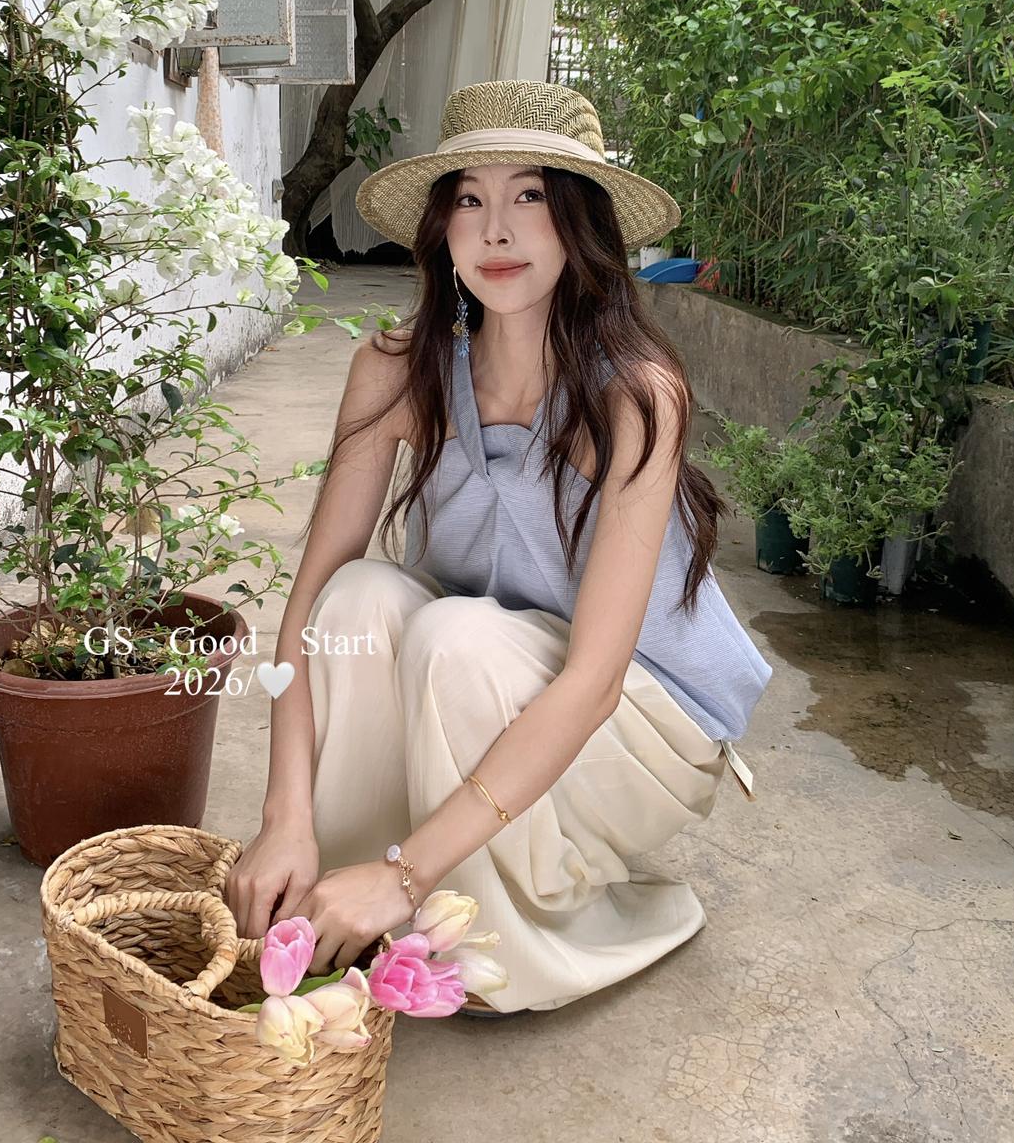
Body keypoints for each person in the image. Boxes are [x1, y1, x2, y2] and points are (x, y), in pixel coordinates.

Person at [224, 79, 773, 1016]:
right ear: (441, 227)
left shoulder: (634, 396)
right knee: (356, 599)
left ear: (579, 222)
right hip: (490, 680)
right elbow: (308, 606)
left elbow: (593, 682)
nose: (497, 231)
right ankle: (349, 900)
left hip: (640, 726)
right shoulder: (395, 371)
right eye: (470, 200)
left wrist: (406, 870)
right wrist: (285, 816)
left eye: (530, 195)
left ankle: (471, 933)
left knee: (456, 637)